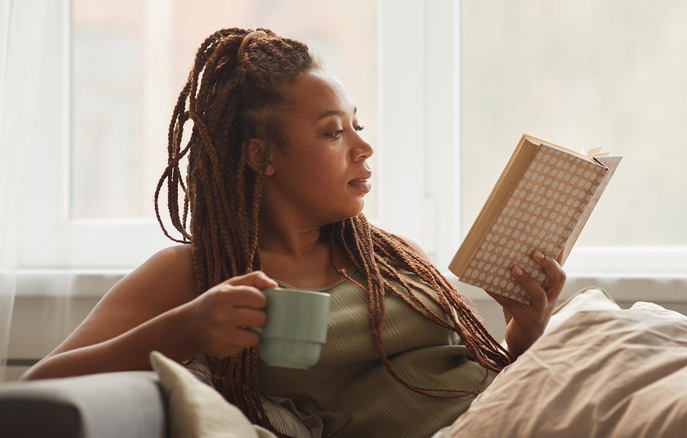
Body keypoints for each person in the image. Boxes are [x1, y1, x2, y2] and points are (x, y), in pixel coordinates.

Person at [21, 28, 566, 437]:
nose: (363, 147)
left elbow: (475, 373)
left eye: (358, 124)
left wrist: (526, 331)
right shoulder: (198, 272)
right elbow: (38, 390)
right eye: (333, 132)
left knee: (627, 334)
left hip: (518, 411)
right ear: (263, 156)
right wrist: (185, 330)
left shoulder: (395, 258)